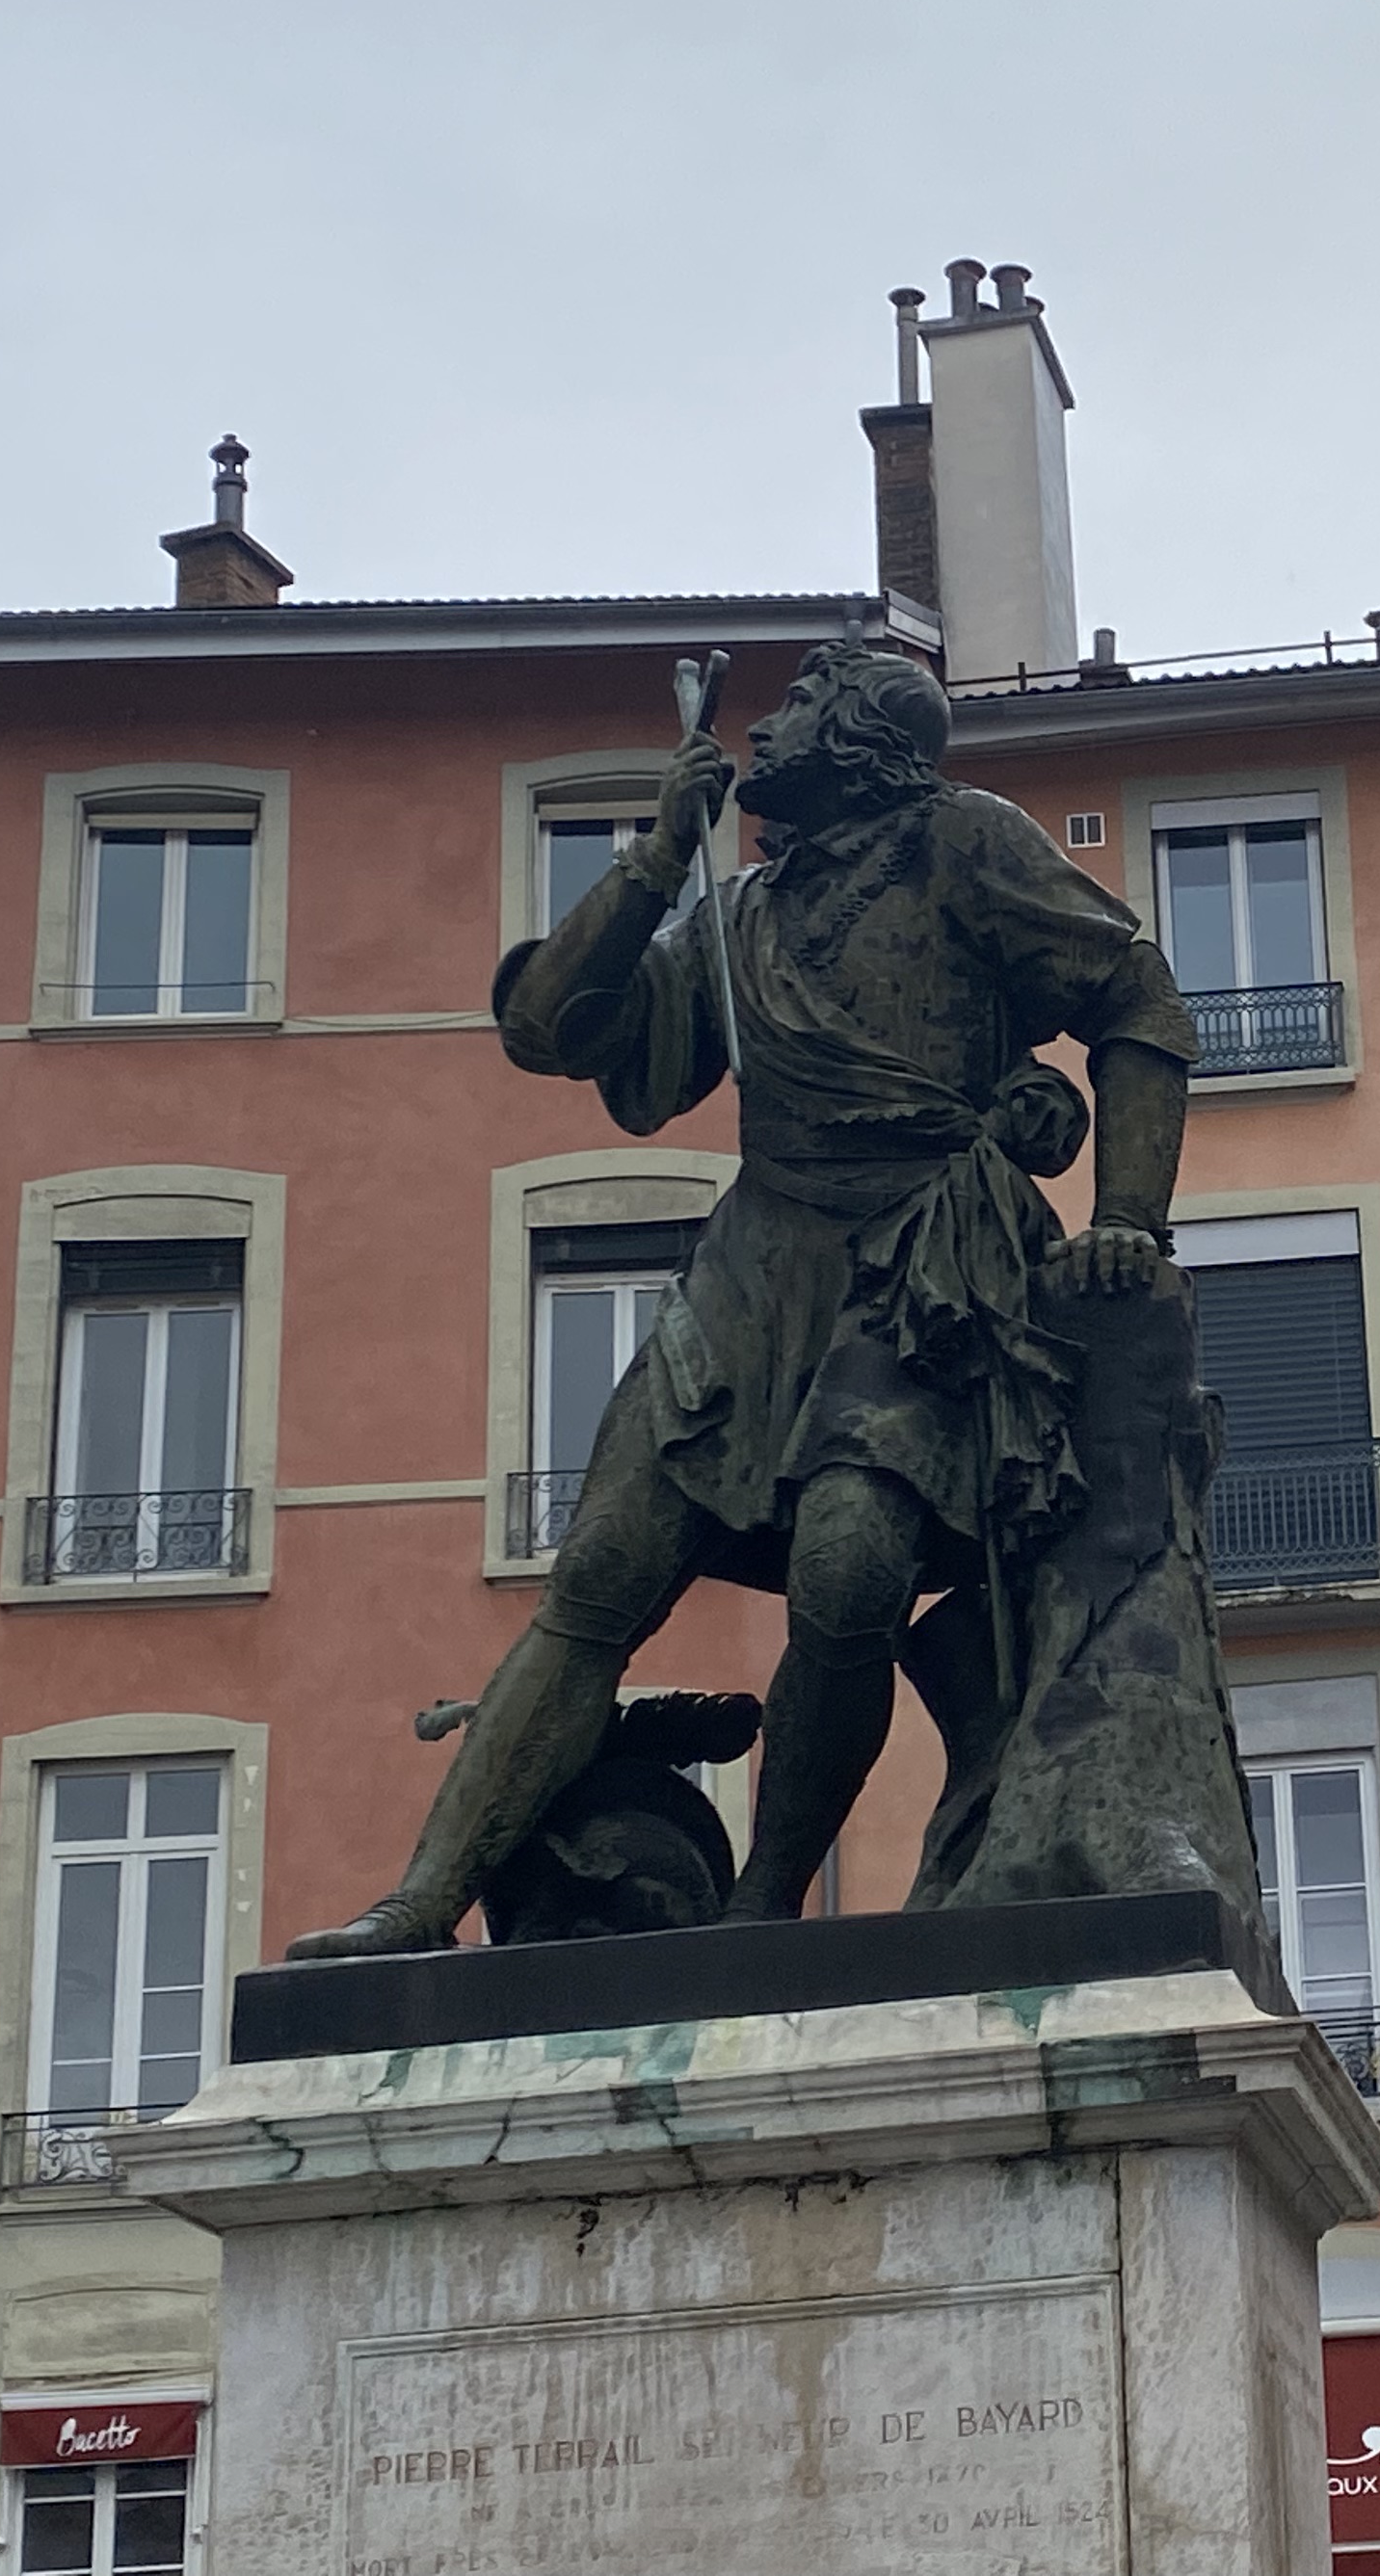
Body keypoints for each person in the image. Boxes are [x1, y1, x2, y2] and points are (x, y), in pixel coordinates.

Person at [287, 639, 1196, 1960]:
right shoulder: (741, 914)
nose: (767, 728)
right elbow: (551, 1031)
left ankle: (760, 1906)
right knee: (599, 1575)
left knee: (851, 1567)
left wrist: (1127, 1217)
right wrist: (657, 852)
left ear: (872, 742)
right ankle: (421, 1905)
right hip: (759, 1265)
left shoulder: (964, 843)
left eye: (806, 703)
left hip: (922, 1261)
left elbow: (1138, 991)